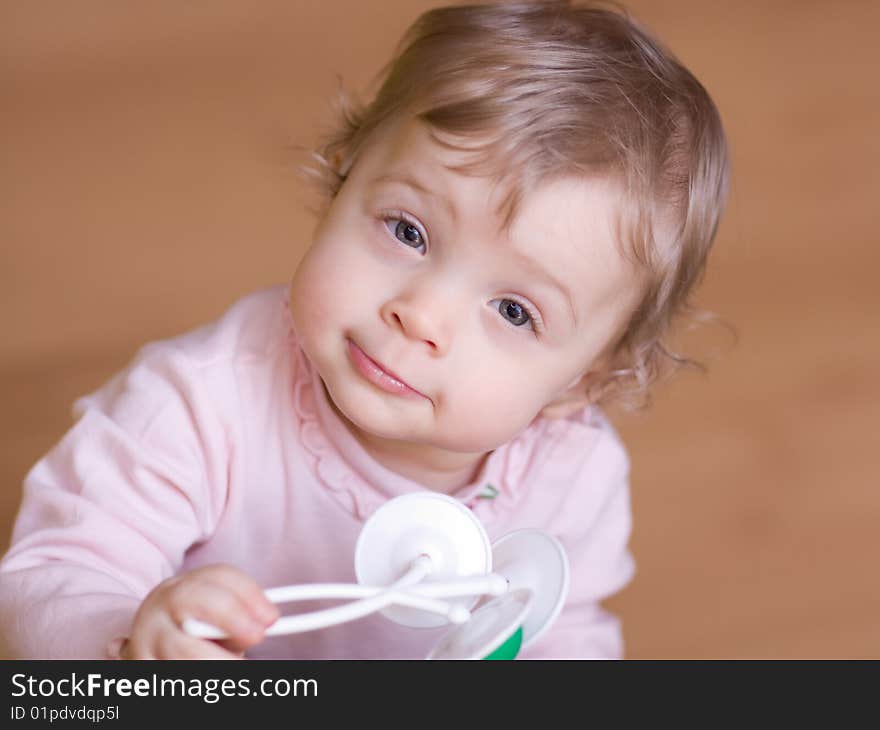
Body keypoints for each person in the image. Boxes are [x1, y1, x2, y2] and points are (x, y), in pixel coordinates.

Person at [0, 0, 729, 659]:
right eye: (408, 230)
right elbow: (55, 571)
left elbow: (561, 630)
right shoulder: (201, 402)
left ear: (586, 381)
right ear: (341, 178)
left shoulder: (571, 478)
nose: (420, 314)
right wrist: (128, 642)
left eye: (513, 311)